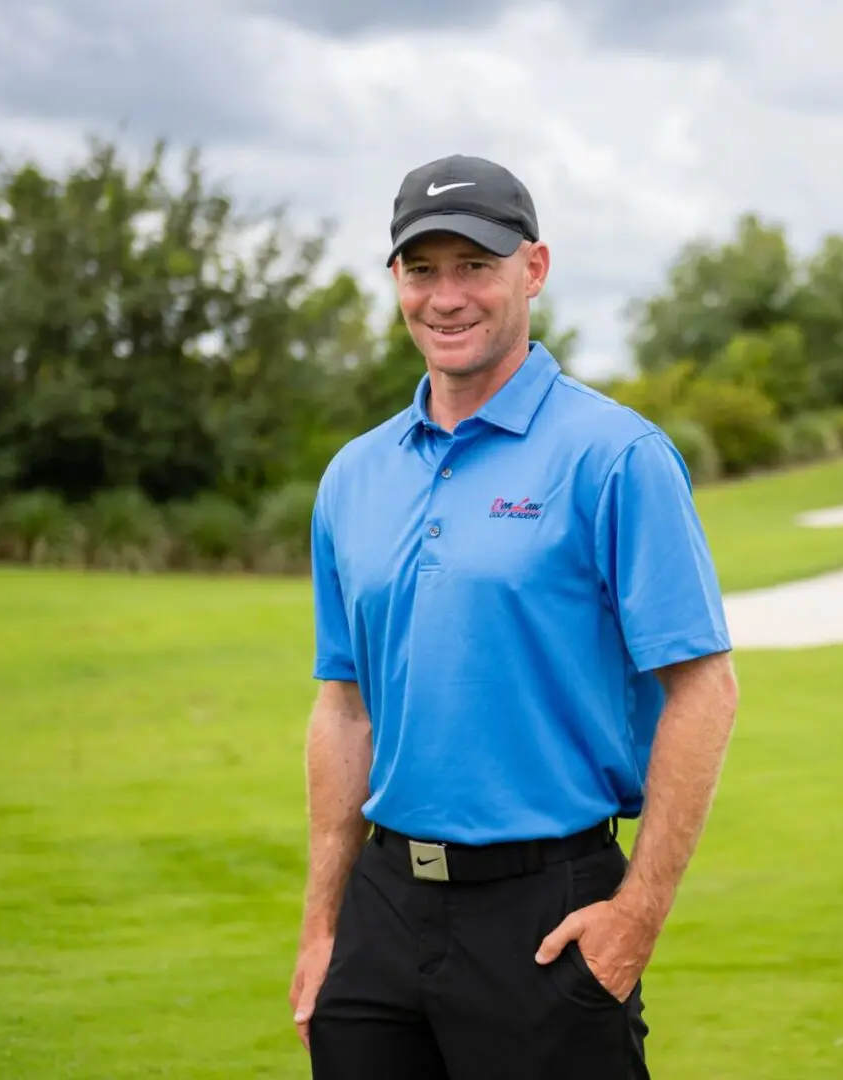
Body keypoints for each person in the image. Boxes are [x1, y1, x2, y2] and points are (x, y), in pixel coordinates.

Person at [287, 152, 739, 1079]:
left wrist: (636, 918)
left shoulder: (617, 457)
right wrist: (323, 928)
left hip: (546, 912)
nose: (445, 297)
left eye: (475, 266)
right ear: (397, 283)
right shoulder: (353, 477)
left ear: (532, 270)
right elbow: (345, 708)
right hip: (382, 915)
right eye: (422, 270)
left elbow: (706, 690)